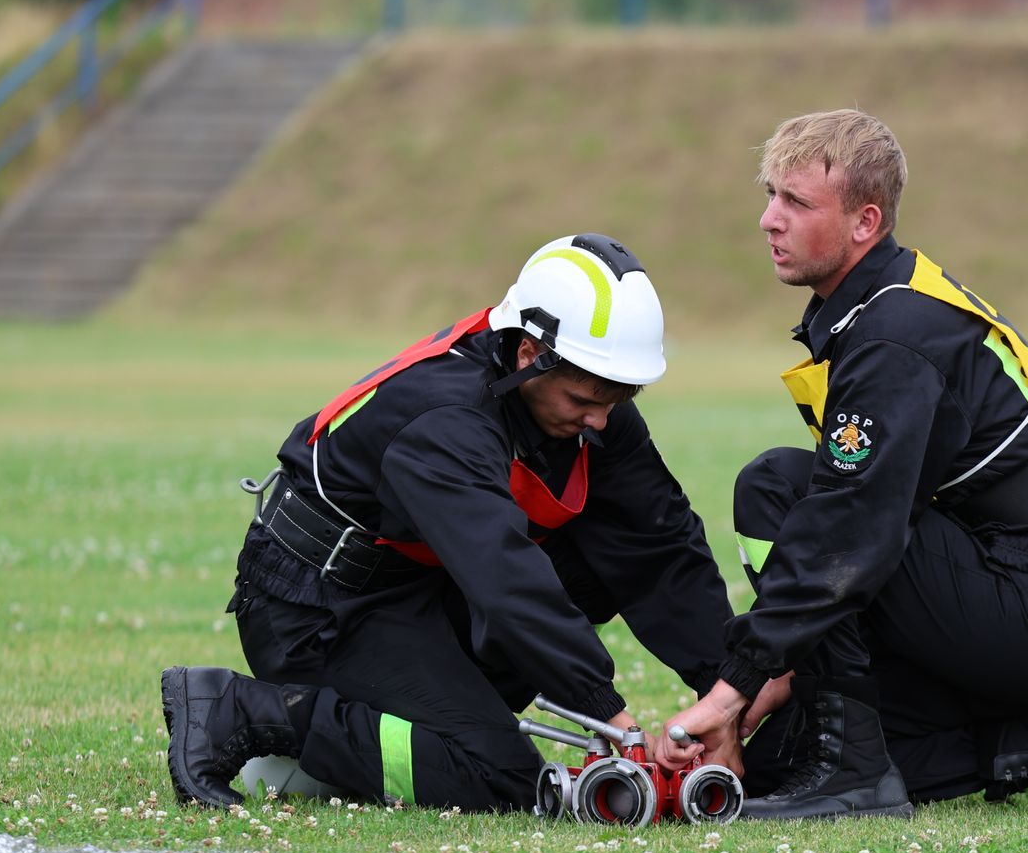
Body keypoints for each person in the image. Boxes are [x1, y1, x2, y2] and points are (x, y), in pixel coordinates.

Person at [652, 110, 1028, 821]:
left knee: (779, 487)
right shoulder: (885, 304)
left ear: (865, 222)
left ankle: (854, 775)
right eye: (770, 194)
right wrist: (767, 686)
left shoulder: (894, 335)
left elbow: (850, 529)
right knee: (772, 766)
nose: (769, 220)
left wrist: (734, 687)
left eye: (796, 202)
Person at [160, 234, 734, 812]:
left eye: (621, 395)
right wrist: (614, 720)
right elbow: (505, 582)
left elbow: (661, 541)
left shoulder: (577, 391)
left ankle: (405, 726)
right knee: (496, 778)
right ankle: (244, 710)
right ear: (531, 355)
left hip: (413, 592)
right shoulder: (445, 418)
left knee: (613, 553)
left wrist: (728, 694)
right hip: (318, 612)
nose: (602, 420)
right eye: (588, 397)